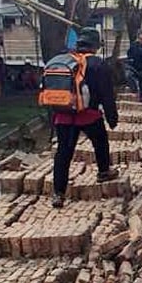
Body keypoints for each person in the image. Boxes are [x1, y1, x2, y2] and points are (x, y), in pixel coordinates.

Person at [51, 27, 119, 208]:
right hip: (88, 115)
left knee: (63, 154)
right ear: (95, 46)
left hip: (63, 115)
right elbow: (107, 95)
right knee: (101, 141)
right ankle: (104, 171)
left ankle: (58, 193)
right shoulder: (98, 64)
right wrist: (112, 118)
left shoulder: (63, 60)